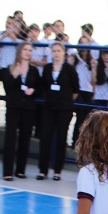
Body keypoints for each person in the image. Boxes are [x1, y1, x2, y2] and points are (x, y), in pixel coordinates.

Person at [38, 41, 79, 181]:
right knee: (45, 138)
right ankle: (43, 170)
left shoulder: (69, 69)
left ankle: (57, 171)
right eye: (54, 51)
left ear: (64, 52)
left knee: (61, 139)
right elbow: (43, 85)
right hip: (49, 107)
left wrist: (65, 99)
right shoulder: (47, 68)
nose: (56, 53)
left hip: (64, 109)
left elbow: (75, 89)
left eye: (58, 51)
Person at [1, 41, 40, 180]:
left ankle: (20, 170)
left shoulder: (34, 70)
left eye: (30, 50)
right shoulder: (10, 68)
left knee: (25, 139)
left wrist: (33, 90)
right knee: (10, 139)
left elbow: (40, 88)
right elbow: (7, 87)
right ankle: (7, 172)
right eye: (25, 49)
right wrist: (16, 73)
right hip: (13, 107)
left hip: (28, 108)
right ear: (20, 52)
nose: (28, 52)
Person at [70, 35, 95, 148]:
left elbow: (93, 81)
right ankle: (75, 141)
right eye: (82, 43)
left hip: (88, 91)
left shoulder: (92, 60)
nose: (84, 46)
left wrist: (94, 67)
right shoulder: (75, 59)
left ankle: (85, 144)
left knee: (88, 119)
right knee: (79, 117)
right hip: (78, 91)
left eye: (86, 43)